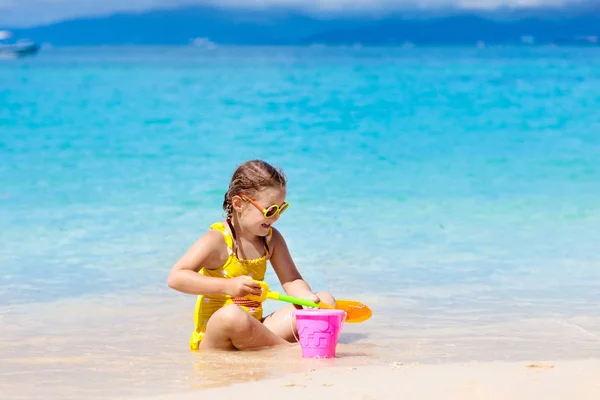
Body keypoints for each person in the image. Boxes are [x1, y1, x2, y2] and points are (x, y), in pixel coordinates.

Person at [167, 159, 335, 351]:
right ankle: (290, 351)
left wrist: (305, 297)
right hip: (218, 336)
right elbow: (176, 277)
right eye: (270, 209)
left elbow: (291, 279)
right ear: (238, 204)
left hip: (254, 329)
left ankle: (280, 345)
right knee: (232, 315)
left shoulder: (271, 239)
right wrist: (227, 286)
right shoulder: (217, 240)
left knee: (325, 300)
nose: (276, 216)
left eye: (281, 208)